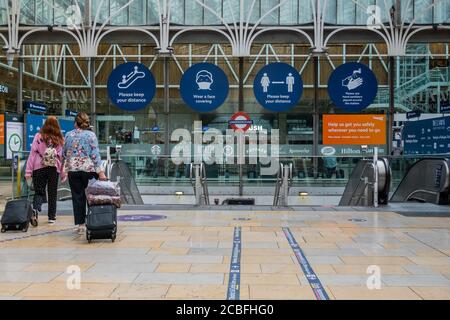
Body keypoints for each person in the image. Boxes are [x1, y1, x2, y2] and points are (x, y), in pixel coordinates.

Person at [62, 112, 107, 234]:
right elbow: (95, 154)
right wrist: (101, 172)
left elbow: (64, 153)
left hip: (73, 170)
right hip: (88, 170)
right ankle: (93, 220)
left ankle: (80, 224)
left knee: (77, 197)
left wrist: (65, 169)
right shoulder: (91, 135)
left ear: (75, 123)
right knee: (91, 196)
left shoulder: (68, 135)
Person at [25, 116, 66, 225]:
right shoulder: (59, 139)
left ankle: (35, 210)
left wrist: (28, 171)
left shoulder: (38, 137)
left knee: (39, 191)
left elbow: (32, 154)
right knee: (52, 193)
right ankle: (51, 217)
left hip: (39, 167)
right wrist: (62, 173)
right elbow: (61, 157)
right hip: (53, 168)